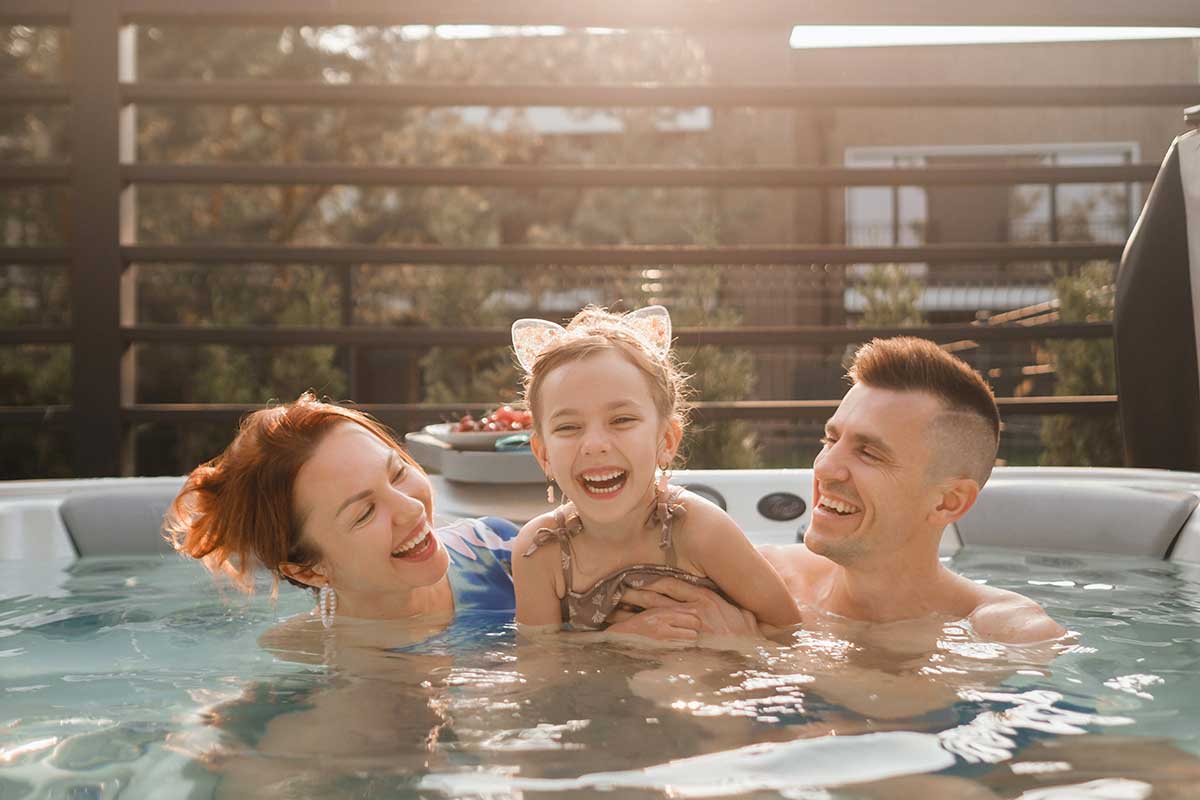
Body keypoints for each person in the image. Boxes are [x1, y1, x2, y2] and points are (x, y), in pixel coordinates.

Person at [621, 336, 1066, 645]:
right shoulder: (757, 582)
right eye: (831, 439)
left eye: (869, 453)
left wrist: (754, 655)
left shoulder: (1007, 634)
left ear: (948, 501)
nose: (826, 467)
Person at [510, 305, 802, 635]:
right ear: (543, 453)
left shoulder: (700, 533)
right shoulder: (541, 553)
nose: (594, 444)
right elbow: (540, 672)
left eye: (621, 420)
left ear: (666, 440)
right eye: (568, 426)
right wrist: (619, 641)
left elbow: (789, 633)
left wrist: (736, 645)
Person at [165, 392, 519, 651]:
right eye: (364, 512)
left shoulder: (502, 554)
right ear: (309, 571)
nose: (410, 509)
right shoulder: (318, 656)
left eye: (396, 473)